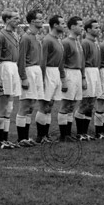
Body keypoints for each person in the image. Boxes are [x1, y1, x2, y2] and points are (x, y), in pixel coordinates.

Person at [16, 10, 45, 147]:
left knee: (31, 106)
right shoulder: (26, 37)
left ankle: (26, 137)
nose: (42, 20)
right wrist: (23, 77)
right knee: (25, 105)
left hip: (36, 71)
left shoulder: (36, 37)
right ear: (33, 21)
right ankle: (21, 138)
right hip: (29, 71)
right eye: (39, 18)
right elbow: (21, 59)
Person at [37, 15, 67, 144]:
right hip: (48, 71)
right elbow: (42, 61)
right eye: (62, 23)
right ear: (55, 25)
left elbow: (61, 62)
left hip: (55, 73)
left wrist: (62, 77)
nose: (64, 25)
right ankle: (40, 136)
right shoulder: (47, 40)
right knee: (44, 105)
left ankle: (45, 135)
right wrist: (42, 79)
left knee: (50, 105)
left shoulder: (59, 40)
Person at [0, 10, 21, 149]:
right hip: (4, 68)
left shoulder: (15, 34)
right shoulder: (0, 35)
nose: (18, 20)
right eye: (15, 18)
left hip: (13, 68)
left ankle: (5, 138)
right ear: (7, 19)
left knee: (9, 107)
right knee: (3, 105)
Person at [59, 16, 86, 142]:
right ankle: (63, 134)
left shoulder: (78, 42)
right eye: (80, 25)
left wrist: (83, 77)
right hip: (69, 73)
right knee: (66, 104)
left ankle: (68, 133)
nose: (82, 28)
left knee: (72, 105)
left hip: (77, 74)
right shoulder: (66, 42)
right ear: (73, 27)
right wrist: (63, 79)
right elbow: (61, 62)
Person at [76, 19, 102, 140]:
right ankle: (80, 132)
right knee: (85, 102)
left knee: (91, 103)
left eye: (98, 27)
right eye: (95, 28)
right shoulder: (85, 43)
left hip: (95, 72)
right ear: (88, 30)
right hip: (88, 71)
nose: (98, 30)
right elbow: (81, 61)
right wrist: (83, 77)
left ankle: (85, 132)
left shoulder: (96, 43)